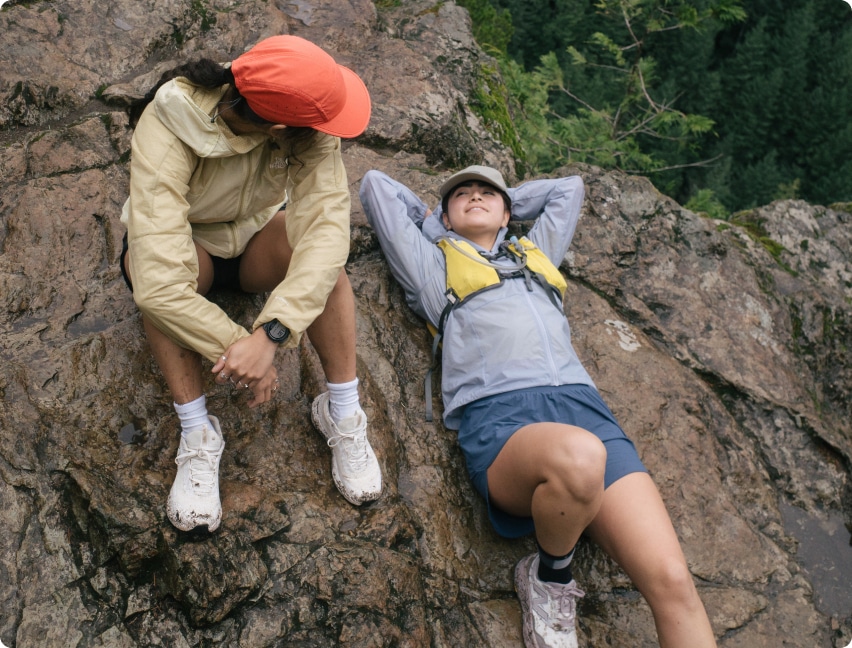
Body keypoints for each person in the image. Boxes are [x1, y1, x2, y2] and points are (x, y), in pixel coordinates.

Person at [359, 166, 716, 648]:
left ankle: (569, 518)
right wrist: (433, 220)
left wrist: (505, 205)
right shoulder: (431, 264)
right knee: (582, 457)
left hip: (583, 407)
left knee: (673, 582)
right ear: (445, 214)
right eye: (461, 194)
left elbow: (568, 191)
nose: (475, 196)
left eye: (487, 192)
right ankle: (550, 576)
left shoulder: (534, 254)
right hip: (503, 419)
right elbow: (376, 186)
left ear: (508, 213)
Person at [120, 35, 383, 534]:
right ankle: (198, 431)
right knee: (147, 272)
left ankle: (342, 413)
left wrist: (272, 335)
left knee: (325, 265)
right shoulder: (168, 119)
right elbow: (158, 283)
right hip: (188, 243)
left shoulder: (308, 130)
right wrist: (240, 349)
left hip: (254, 236)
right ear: (279, 125)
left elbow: (327, 234)